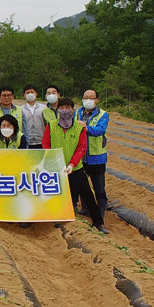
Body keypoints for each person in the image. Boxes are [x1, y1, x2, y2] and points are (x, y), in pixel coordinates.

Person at [42, 97, 108, 234]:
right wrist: (55, 162)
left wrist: (72, 164)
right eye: (61, 108)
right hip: (56, 168)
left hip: (75, 168)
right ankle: (56, 219)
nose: (65, 111)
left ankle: (98, 222)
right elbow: (46, 144)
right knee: (56, 194)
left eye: (68, 108)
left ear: (73, 110)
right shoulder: (51, 125)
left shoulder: (79, 128)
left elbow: (81, 148)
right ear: (58, 109)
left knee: (88, 195)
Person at [75, 89, 110, 219]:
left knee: (99, 189)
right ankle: (85, 209)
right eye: (85, 97)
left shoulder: (103, 114)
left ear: (96, 100)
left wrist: (86, 128)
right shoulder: (78, 113)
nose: (88, 100)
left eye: (91, 98)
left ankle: (100, 216)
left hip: (97, 157)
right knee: (83, 187)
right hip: (81, 156)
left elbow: (100, 130)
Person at [21, 84, 46, 149]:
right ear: (24, 95)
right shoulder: (20, 109)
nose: (30, 94)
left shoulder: (44, 108)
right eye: (28, 92)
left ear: (36, 94)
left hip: (41, 141)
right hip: (27, 142)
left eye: (32, 92)